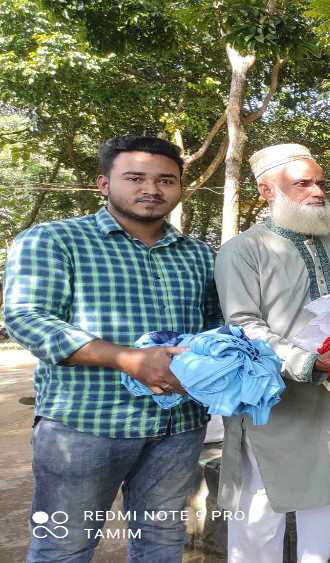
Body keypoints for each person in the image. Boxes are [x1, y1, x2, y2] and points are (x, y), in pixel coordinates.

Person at [4, 136, 220, 562]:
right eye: (135, 178)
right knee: (63, 545)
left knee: (161, 542)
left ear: (180, 188)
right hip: (85, 424)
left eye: (166, 180)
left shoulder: (198, 254)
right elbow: (27, 318)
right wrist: (128, 358)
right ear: (104, 183)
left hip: (178, 425)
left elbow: (213, 325)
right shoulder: (53, 240)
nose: (152, 189)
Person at [214, 144, 330, 562]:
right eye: (302, 183)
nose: (318, 191)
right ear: (267, 190)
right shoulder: (243, 249)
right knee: (261, 508)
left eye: (320, 182)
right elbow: (243, 325)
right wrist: (306, 361)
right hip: (273, 399)